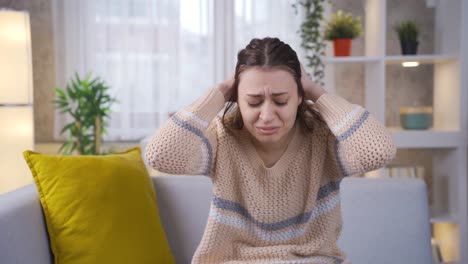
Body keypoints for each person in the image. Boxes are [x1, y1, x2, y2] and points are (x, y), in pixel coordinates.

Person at [145, 37, 396, 264]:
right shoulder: (222, 140)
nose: (267, 116)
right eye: (253, 102)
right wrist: (218, 93)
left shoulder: (323, 141)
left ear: (299, 97)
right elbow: (160, 155)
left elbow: (378, 151)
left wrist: (318, 93)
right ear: (237, 99)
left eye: (280, 101)